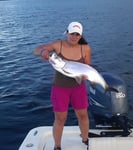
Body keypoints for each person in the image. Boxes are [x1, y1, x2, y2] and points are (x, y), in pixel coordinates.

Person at [33, 21, 91, 150]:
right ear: (67, 32)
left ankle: (85, 140)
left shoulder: (85, 48)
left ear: (80, 36)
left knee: (82, 115)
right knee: (60, 118)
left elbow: (87, 67)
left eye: (77, 34)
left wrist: (87, 76)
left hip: (78, 87)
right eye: (72, 33)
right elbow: (36, 50)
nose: (74, 36)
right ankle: (57, 146)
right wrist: (42, 51)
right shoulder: (58, 45)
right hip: (60, 88)